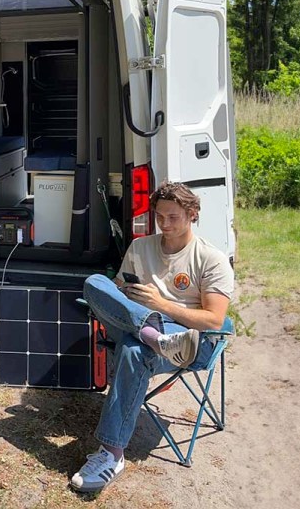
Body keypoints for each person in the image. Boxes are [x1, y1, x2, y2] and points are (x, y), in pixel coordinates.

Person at [70, 181, 234, 494]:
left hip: (188, 340)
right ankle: (152, 336)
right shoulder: (140, 247)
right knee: (94, 283)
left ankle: (111, 455)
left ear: (192, 214)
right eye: (159, 216)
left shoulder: (211, 258)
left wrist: (162, 305)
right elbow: (114, 293)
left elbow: (215, 319)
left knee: (133, 350)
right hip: (142, 326)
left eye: (173, 217)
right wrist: (125, 296)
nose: (165, 223)